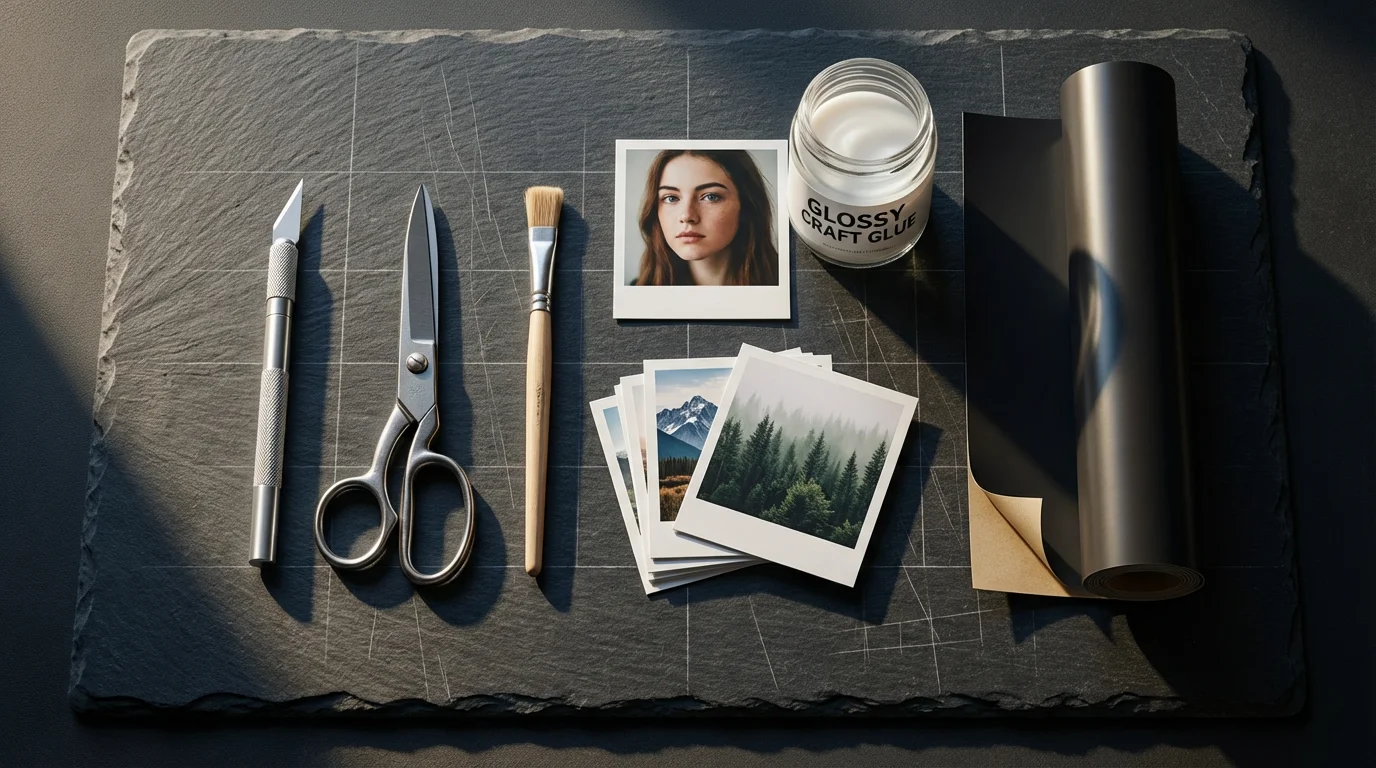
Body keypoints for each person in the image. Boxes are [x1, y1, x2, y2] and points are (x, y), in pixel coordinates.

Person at [634, 149, 779, 286]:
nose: (687, 216)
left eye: (710, 197)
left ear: (746, 206)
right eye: (671, 198)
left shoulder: (788, 286)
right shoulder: (635, 297)